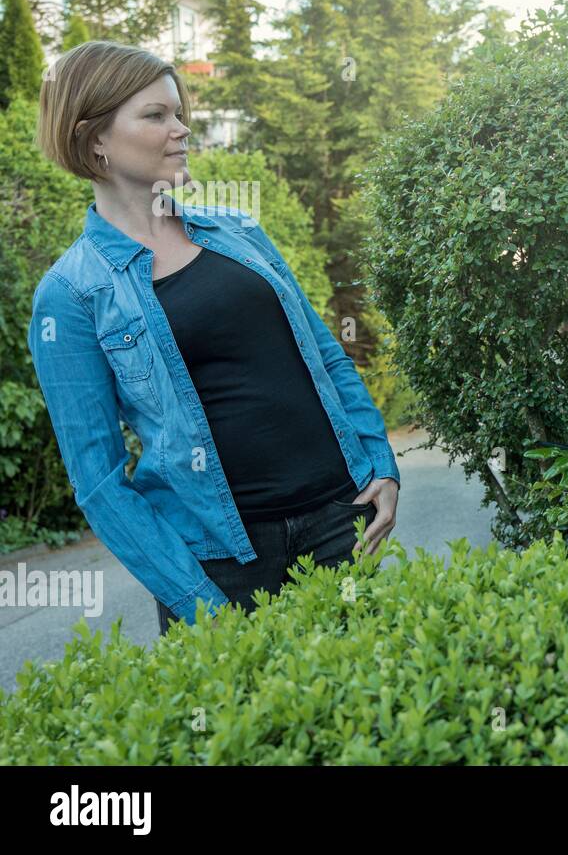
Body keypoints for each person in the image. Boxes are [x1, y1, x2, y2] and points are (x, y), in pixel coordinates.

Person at [27, 41, 400, 635]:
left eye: (179, 114)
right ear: (93, 137)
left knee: (375, 714)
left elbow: (324, 355)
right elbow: (99, 483)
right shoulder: (70, 295)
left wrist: (380, 461)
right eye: (155, 116)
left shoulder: (240, 232)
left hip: (340, 523)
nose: (181, 131)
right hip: (221, 565)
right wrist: (200, 601)